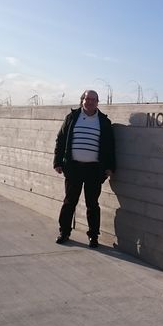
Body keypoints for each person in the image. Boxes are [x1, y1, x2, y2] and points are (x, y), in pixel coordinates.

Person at [53, 90, 116, 248]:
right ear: (82, 100)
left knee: (92, 204)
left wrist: (110, 167)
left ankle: (93, 236)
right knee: (69, 202)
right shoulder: (72, 118)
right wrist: (57, 162)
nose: (90, 102)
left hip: (94, 170)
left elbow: (110, 146)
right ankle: (64, 232)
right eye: (87, 99)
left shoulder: (103, 121)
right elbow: (60, 140)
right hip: (73, 168)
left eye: (93, 100)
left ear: (97, 102)